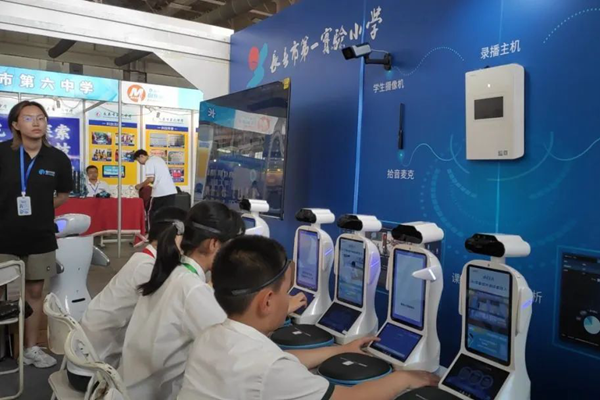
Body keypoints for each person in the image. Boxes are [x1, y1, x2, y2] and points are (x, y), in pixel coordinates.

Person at [177, 236, 439, 400]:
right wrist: (405, 379)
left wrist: (340, 350)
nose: (289, 298)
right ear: (267, 301)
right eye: (286, 291)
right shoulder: (269, 368)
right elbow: (351, 397)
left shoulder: (209, 337)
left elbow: (283, 361)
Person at [119, 201, 244, 400]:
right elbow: (234, 348)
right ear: (213, 244)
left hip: (127, 387)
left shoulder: (171, 272)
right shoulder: (192, 289)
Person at [0, 101, 72, 368]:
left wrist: (40, 207)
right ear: (15, 125)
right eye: (29, 118)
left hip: (40, 235)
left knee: (35, 290)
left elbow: (63, 194)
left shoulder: (57, 158)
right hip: (3, 233)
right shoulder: (2, 153)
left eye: (41, 118)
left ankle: (31, 348)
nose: (36, 123)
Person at [81, 206, 187, 369]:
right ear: (175, 235)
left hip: (86, 355)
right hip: (97, 368)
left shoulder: (142, 259)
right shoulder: (147, 268)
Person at [134, 149, 177, 220]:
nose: (140, 163)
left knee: (151, 213)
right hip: (171, 191)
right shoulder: (158, 159)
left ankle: (151, 227)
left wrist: (139, 186)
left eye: (138, 161)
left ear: (141, 156)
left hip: (160, 193)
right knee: (168, 215)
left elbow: (151, 179)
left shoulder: (149, 162)